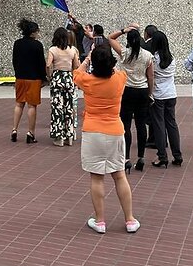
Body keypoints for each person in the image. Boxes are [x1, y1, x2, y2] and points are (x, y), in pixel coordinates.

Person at [73, 33, 140, 234]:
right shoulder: (119, 79)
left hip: (93, 130)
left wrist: (88, 58)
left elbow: (76, 72)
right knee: (119, 175)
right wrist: (107, 59)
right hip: (115, 130)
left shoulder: (86, 81)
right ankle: (129, 219)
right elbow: (119, 69)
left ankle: (100, 220)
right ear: (111, 63)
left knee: (97, 177)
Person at [117, 27, 155, 172]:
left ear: (128, 41)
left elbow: (110, 38)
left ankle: (126, 158)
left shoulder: (125, 53)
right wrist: (150, 93)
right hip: (142, 90)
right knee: (140, 124)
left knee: (126, 124)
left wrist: (124, 30)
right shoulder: (147, 55)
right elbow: (151, 76)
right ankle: (141, 157)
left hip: (127, 90)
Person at [144, 30, 182, 167]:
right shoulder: (172, 59)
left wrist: (149, 93)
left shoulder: (153, 59)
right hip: (171, 94)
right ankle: (177, 155)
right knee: (172, 124)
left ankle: (162, 156)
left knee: (159, 125)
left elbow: (150, 76)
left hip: (158, 95)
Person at [11, 18, 48, 144]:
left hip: (20, 77)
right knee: (32, 106)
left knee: (19, 104)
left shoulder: (17, 43)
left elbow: (14, 61)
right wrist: (44, 78)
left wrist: (17, 74)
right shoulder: (37, 45)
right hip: (34, 79)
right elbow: (41, 63)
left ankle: (14, 129)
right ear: (33, 32)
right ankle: (30, 132)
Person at [46, 27, 81, 146]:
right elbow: (76, 65)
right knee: (68, 108)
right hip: (68, 78)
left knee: (57, 108)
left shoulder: (52, 49)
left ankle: (58, 136)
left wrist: (49, 76)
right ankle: (69, 136)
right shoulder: (72, 50)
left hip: (57, 77)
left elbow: (48, 65)